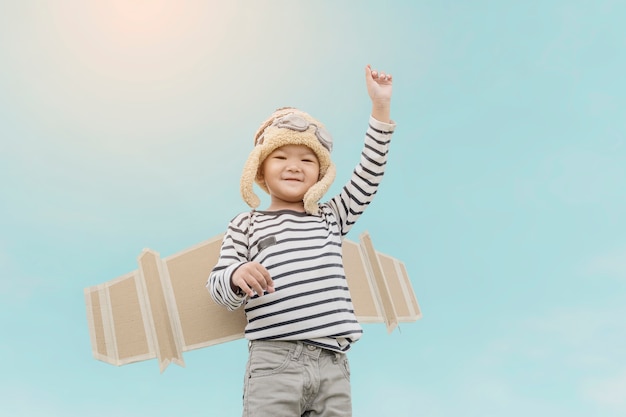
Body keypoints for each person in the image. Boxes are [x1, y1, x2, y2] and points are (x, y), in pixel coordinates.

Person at [207, 64, 395, 417]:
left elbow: (369, 174)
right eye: (280, 157)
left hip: (333, 363)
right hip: (274, 361)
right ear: (260, 169)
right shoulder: (245, 224)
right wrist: (236, 275)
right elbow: (217, 286)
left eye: (307, 160)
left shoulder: (331, 217)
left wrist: (380, 107)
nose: (294, 166)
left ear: (321, 174)